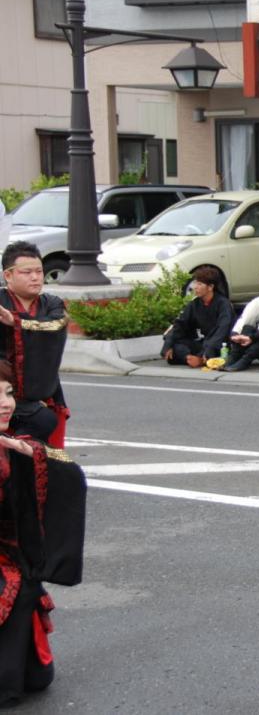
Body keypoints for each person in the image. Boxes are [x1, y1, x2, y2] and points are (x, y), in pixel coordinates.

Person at [0, 359, 86, 707]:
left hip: (12, 553)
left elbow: (70, 480)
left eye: (8, 394)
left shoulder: (15, 443)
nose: (6, 403)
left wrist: (34, 454)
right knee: (15, 584)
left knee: (24, 580)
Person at [0, 242, 68, 445]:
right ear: (8, 276)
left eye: (39, 271)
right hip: (4, 394)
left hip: (41, 393)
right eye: (27, 272)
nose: (35, 277)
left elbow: (56, 326)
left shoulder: (52, 303)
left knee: (45, 422)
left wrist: (17, 322)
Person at [161, 266, 235, 368]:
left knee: (215, 351)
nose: (195, 287)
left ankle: (201, 360)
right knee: (173, 348)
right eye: (195, 283)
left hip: (220, 344)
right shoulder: (194, 304)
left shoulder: (223, 304)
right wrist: (168, 343)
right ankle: (191, 358)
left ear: (210, 287)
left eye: (199, 284)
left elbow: (223, 330)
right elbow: (180, 324)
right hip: (203, 343)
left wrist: (206, 352)